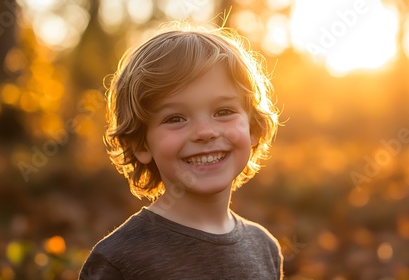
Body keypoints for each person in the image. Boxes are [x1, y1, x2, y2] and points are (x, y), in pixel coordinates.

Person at [79, 22, 283, 279]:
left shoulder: (264, 248)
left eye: (223, 112)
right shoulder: (119, 259)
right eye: (176, 118)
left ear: (253, 128)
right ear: (141, 144)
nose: (205, 132)